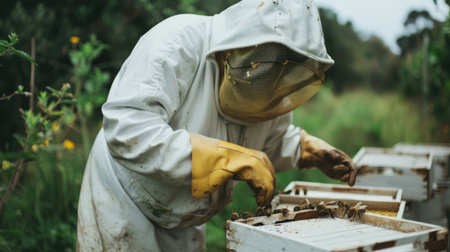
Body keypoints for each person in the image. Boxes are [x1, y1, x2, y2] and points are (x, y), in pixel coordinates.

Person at [76, 0, 357, 251]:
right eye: (270, 59)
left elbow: (267, 142)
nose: (273, 76)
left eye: (290, 66)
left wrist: (303, 149)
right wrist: (224, 157)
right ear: (240, 43)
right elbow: (128, 128)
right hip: (123, 195)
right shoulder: (176, 40)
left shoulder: (274, 88)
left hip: (183, 210)